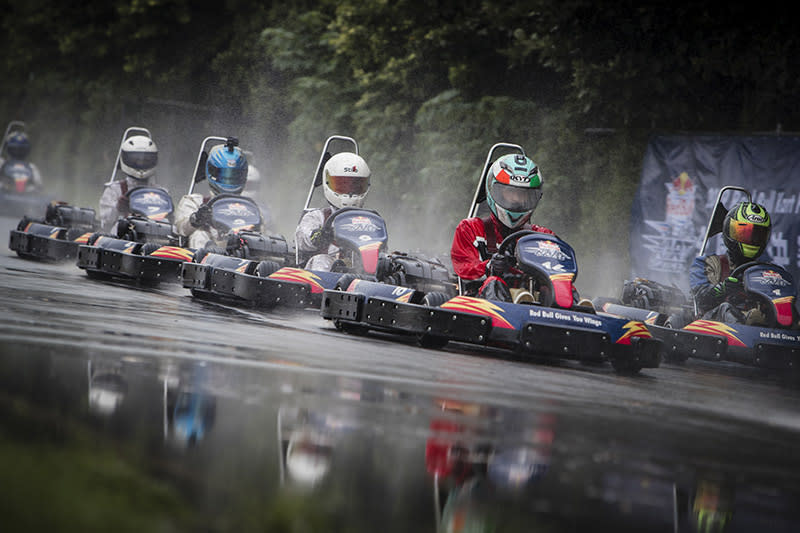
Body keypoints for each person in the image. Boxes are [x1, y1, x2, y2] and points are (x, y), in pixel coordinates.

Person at [450, 153, 554, 301]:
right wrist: (489, 266)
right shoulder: (470, 229)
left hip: (533, 305)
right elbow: (464, 268)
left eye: (522, 195)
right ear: (494, 191)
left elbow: (559, 272)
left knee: (554, 291)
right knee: (494, 283)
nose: (517, 200)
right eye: (511, 193)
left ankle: (579, 317)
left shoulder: (543, 237)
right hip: (481, 303)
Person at [689, 201, 772, 324]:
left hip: (757, 325)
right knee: (725, 308)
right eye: (743, 233)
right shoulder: (709, 263)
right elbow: (700, 300)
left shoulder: (765, 272)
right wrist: (722, 288)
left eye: (757, 235)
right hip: (711, 324)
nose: (750, 240)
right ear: (729, 231)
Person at [295, 151, 371, 271]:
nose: (349, 192)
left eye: (355, 186)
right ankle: (325, 289)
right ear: (327, 184)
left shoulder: (369, 221)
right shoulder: (317, 217)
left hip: (357, 272)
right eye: (343, 185)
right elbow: (302, 239)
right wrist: (320, 235)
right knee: (321, 260)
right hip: (320, 274)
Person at [174, 142, 250, 249]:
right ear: (212, 172)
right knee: (199, 235)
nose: (228, 180)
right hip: (205, 254)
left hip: (240, 255)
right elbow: (181, 229)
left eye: (234, 175)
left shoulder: (249, 208)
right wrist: (196, 219)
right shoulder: (194, 201)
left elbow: (261, 232)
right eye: (224, 175)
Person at [98, 135, 158, 232]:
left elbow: (171, 223)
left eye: (146, 160)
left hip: (152, 237)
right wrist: (117, 207)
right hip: (120, 240)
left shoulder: (160, 193)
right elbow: (105, 223)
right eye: (136, 160)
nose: (141, 163)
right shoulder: (114, 190)